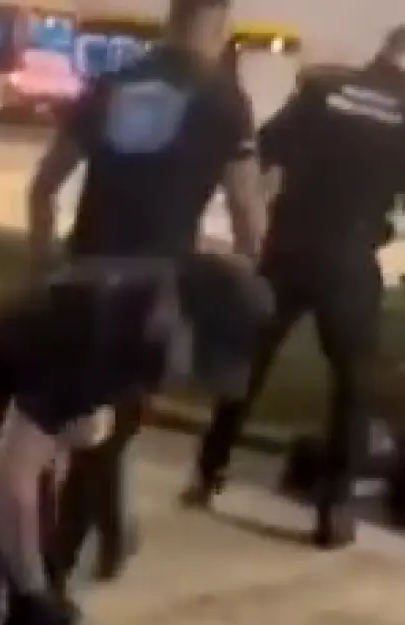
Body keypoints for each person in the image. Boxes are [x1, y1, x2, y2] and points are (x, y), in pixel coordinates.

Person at [0, 254, 272, 625]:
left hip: (7, 414)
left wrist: (36, 588)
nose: (192, 380)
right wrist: (32, 593)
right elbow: (11, 476)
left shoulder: (146, 320)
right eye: (200, 357)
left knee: (35, 604)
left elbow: (71, 429)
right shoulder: (105, 331)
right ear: (177, 312)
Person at [25, 0, 267, 582]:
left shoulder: (110, 84)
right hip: (152, 289)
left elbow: (44, 187)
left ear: (170, 18)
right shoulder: (225, 100)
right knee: (106, 431)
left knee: (97, 422)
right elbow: (247, 214)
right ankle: (54, 580)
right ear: (219, 26)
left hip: (82, 274)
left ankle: (111, 540)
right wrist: (242, 272)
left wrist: (42, 265)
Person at [187, 26, 405, 548]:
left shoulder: (322, 89)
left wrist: (259, 222)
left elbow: (264, 152)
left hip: (287, 244)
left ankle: (208, 471)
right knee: (353, 383)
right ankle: (335, 508)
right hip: (349, 256)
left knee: (249, 363)